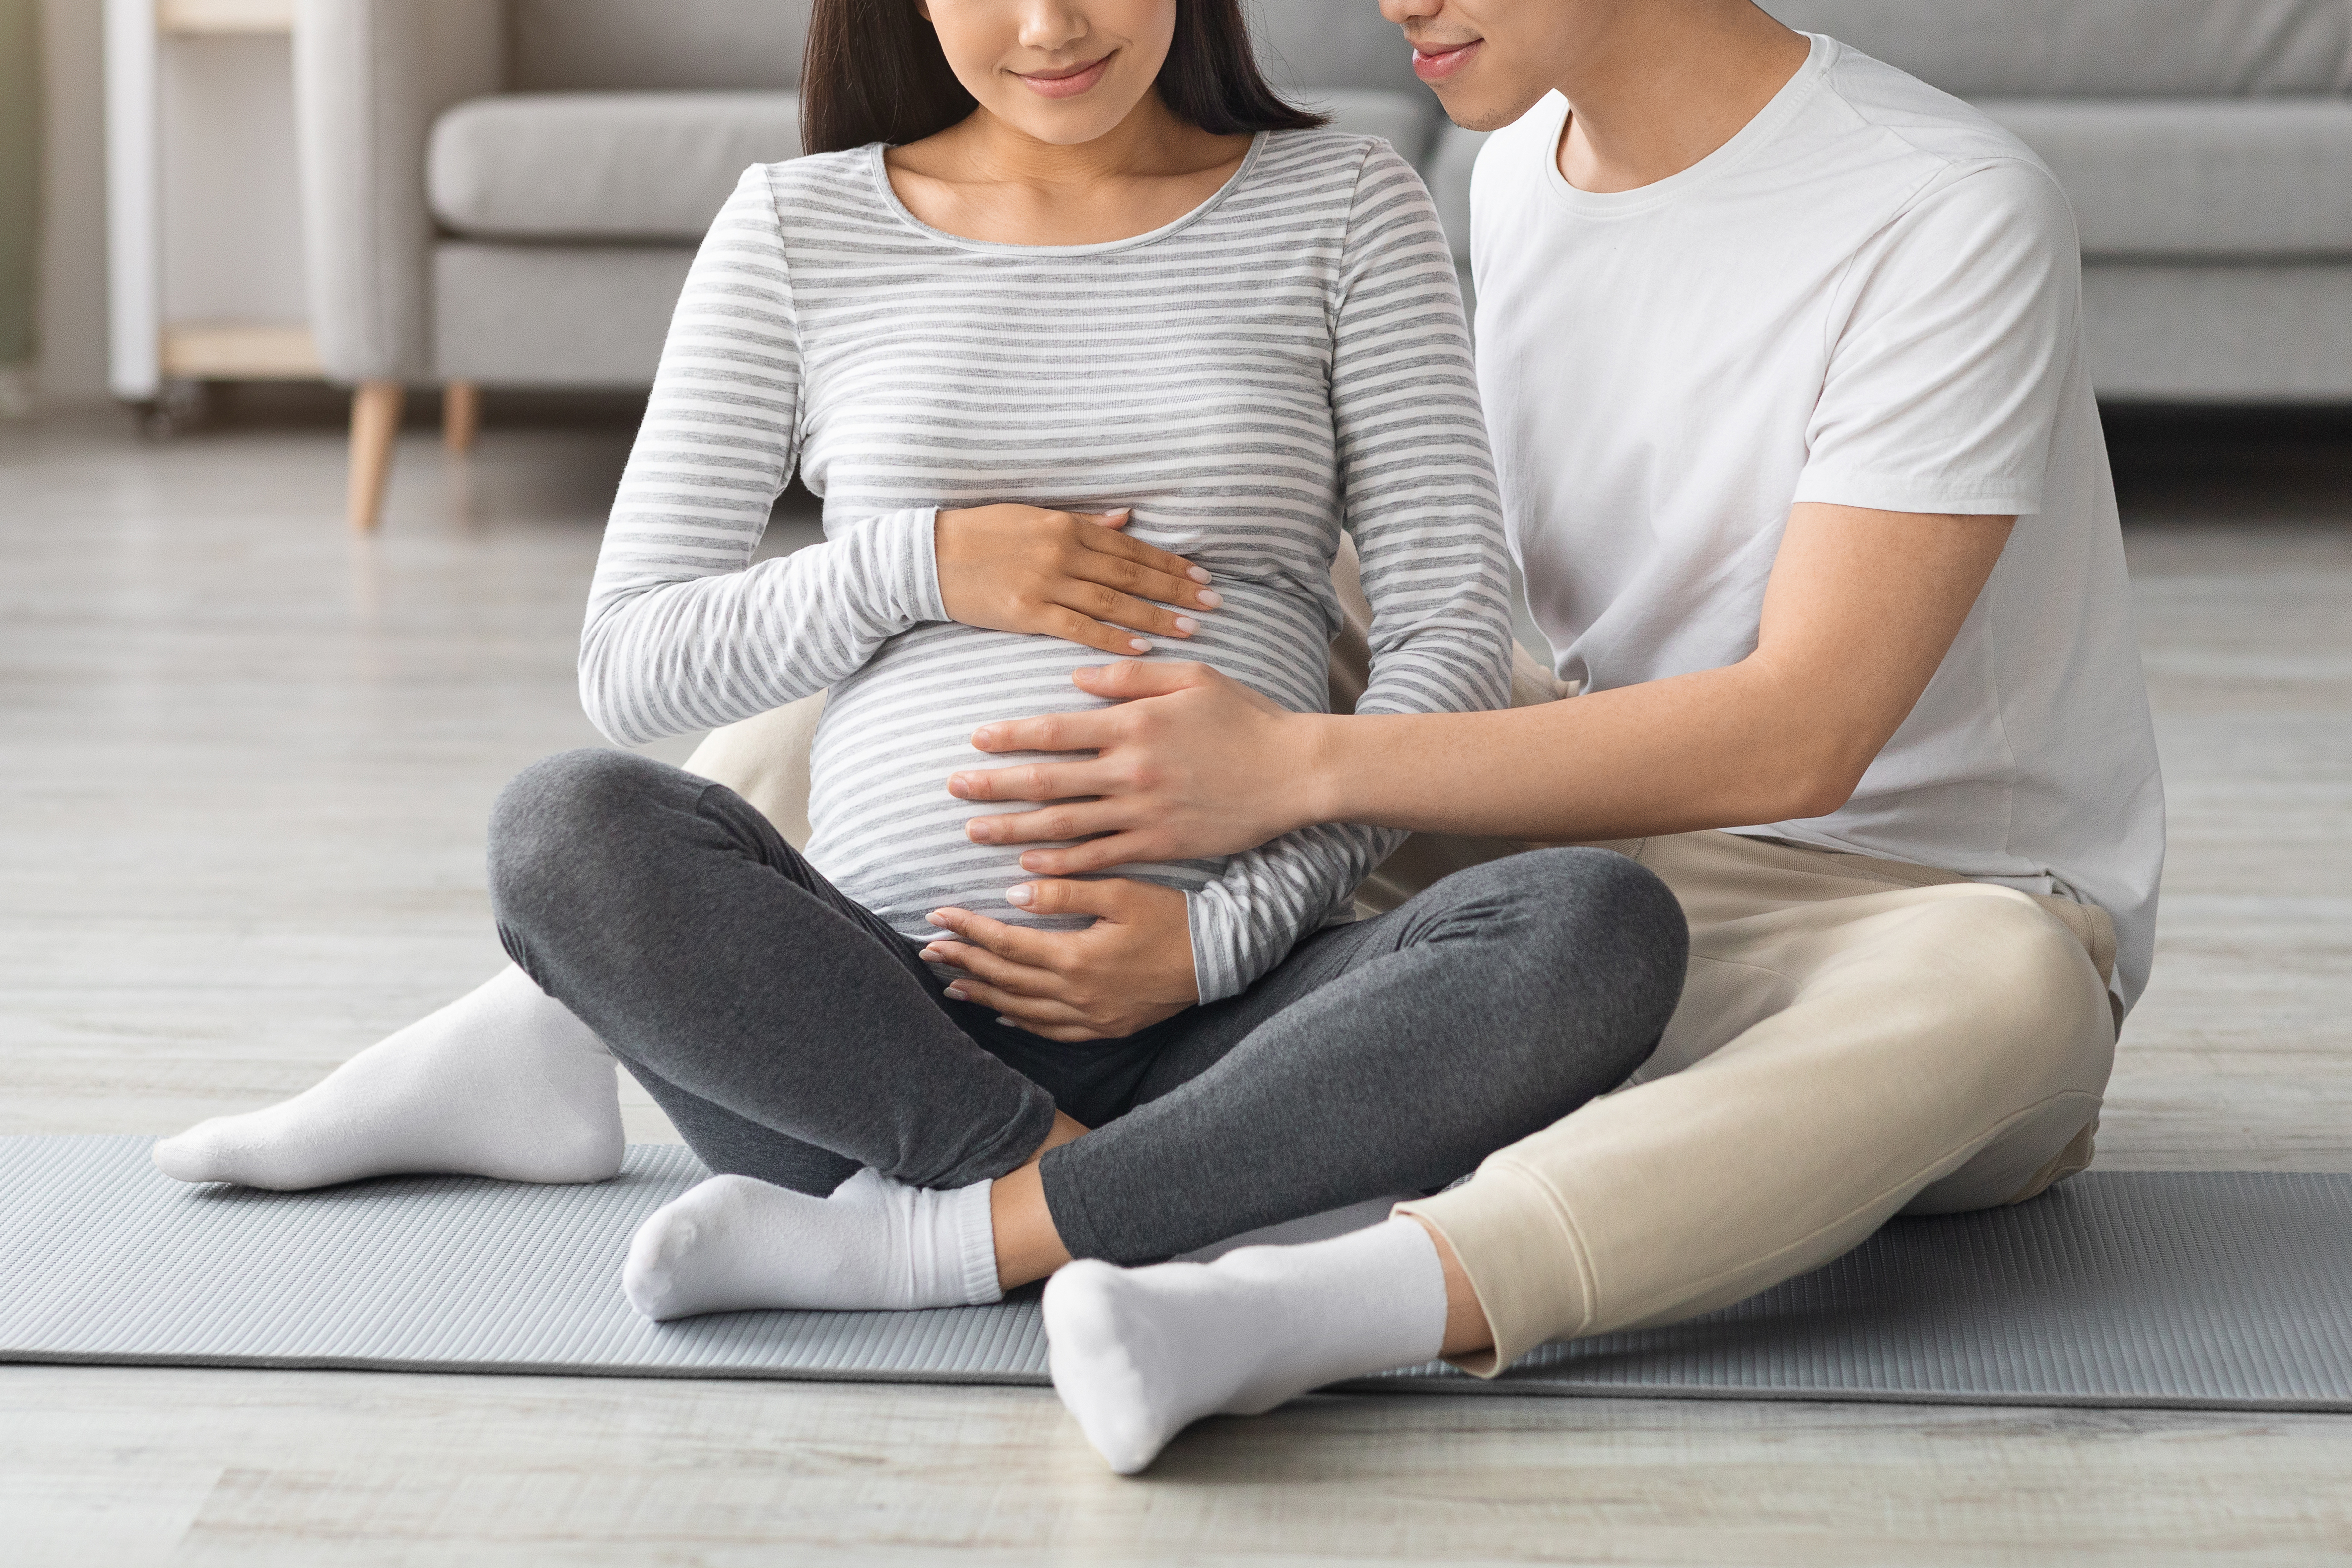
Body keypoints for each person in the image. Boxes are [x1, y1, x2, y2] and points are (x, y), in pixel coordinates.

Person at [152, 0, 1689, 1321]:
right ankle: (1078, 1203)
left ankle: (940, 1239)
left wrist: (1215, 942)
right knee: (565, 826)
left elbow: (1448, 640)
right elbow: (631, 657)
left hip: (1246, 1019)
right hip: (862, 1039)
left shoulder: (1347, 204)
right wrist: (923, 560)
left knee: (1595, 925)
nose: (1049, 28)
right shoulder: (797, 226)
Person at [925, 0, 2165, 1471]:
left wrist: (1290, 771)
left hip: (1889, 909)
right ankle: (644, 951)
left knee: (2015, 983)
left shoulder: (1948, 211)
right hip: (1574, 842)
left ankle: (1304, 1309)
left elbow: (1803, 735)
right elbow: (1481, 610)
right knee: (1056, 640)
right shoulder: (1515, 165)